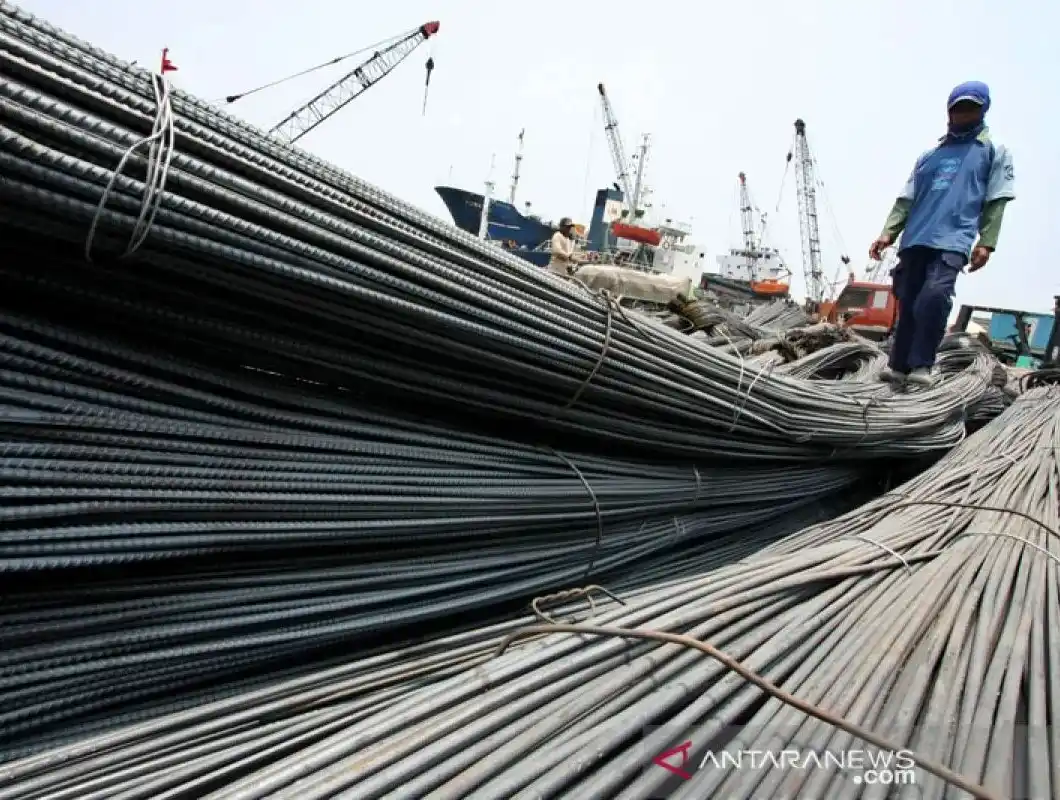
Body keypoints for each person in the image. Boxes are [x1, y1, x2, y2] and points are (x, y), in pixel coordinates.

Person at [869, 80, 1015, 386]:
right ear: (949, 110)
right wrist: (888, 233)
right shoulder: (930, 155)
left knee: (934, 297)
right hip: (915, 238)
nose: (963, 113)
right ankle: (898, 365)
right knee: (908, 300)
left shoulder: (993, 151)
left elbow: (996, 199)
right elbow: (905, 199)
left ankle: (923, 364)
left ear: (982, 110)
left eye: (970, 108)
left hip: (954, 239)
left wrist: (987, 242)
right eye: (958, 107)